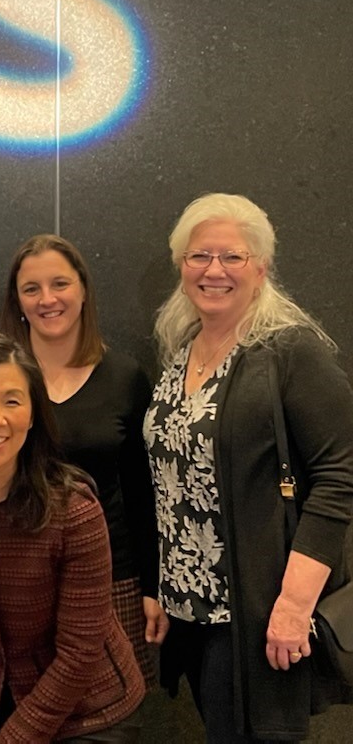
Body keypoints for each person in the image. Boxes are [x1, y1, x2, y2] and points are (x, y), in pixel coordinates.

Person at [144, 193, 353, 741]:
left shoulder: (289, 352)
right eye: (199, 256)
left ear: (260, 268)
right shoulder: (183, 347)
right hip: (190, 612)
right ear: (180, 264)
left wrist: (292, 606)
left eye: (232, 257)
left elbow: (339, 475)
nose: (214, 270)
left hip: (257, 614)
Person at [0, 334, 145, 742]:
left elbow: (79, 652)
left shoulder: (74, 510)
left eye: (13, 402)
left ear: (34, 415)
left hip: (91, 707)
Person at [0, 234, 163, 683]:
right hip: (19, 580)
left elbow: (143, 491)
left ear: (83, 289)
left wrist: (153, 585)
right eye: (31, 288)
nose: (47, 299)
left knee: (110, 715)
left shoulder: (124, 377)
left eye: (60, 284)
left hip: (114, 580)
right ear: (17, 299)